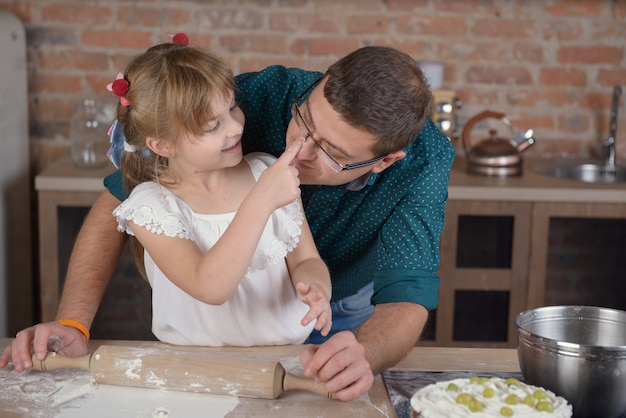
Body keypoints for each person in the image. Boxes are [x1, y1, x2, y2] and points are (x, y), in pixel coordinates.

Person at [1, 44, 455, 401]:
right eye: (304, 122)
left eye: (332, 154)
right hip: (203, 335)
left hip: (323, 316)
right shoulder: (251, 99)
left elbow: (405, 297)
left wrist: (362, 350)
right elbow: (117, 202)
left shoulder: (425, 162)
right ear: (321, 84)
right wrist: (75, 323)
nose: (300, 151)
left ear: (385, 161)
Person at [105, 38, 331, 346]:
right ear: (163, 145)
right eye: (213, 125)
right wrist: (261, 200)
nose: (236, 127)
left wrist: (317, 287)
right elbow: (210, 287)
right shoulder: (151, 207)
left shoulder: (266, 171)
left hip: (288, 357)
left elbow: (306, 259)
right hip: (198, 368)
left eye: (232, 107)